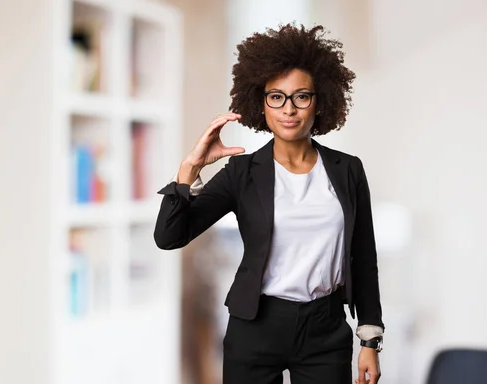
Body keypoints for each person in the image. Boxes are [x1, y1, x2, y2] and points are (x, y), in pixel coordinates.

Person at [154, 23, 384, 384]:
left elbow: (363, 255)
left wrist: (370, 338)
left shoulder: (348, 170)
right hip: (256, 325)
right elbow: (170, 236)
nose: (288, 109)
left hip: (324, 329)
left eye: (301, 96)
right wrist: (190, 168)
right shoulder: (242, 172)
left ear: (319, 101)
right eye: (276, 97)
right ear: (261, 104)